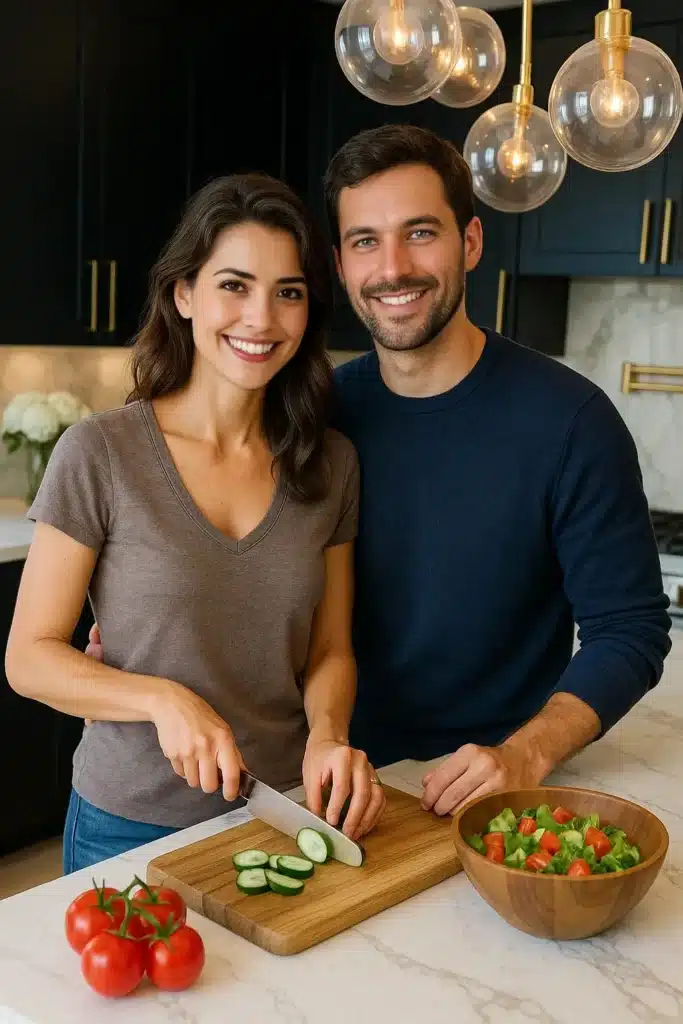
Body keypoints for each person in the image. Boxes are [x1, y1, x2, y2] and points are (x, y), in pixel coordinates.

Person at [5, 172, 386, 873]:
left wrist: (327, 736)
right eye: (233, 285)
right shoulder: (102, 452)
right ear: (184, 294)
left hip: (282, 811)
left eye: (288, 293)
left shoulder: (330, 464)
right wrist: (160, 699)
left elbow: (330, 648)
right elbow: (29, 657)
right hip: (127, 824)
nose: (261, 319)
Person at [322, 124, 672, 816]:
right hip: (334, 777)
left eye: (419, 232)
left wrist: (527, 752)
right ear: (340, 264)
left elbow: (629, 628)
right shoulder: (317, 415)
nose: (391, 267)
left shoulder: (570, 420)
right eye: (365, 240)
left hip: (492, 785)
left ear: (470, 243)